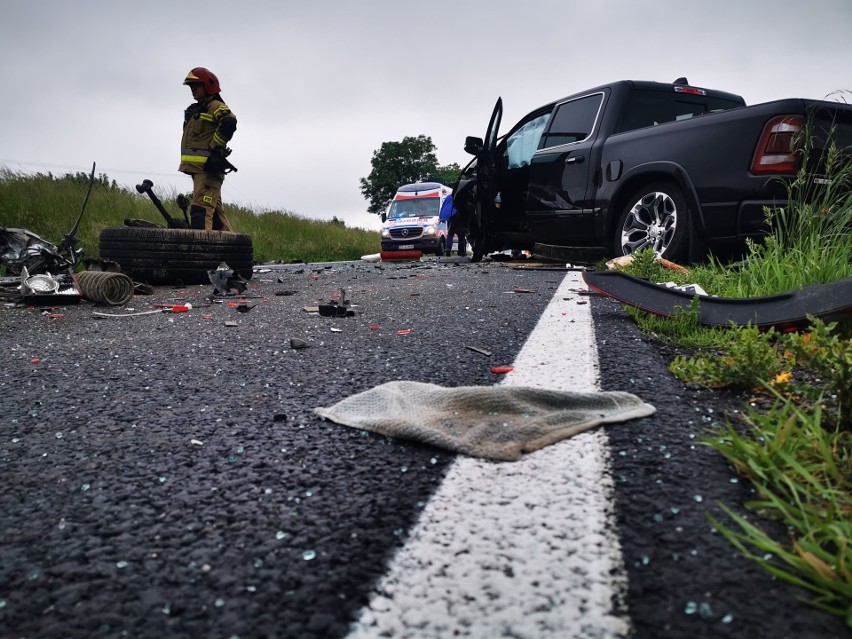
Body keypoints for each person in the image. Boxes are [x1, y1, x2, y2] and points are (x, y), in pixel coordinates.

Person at [179, 67, 237, 231]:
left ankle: (203, 252)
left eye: (197, 85)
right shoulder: (199, 109)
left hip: (208, 171)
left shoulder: (215, 106)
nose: (193, 90)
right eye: (191, 87)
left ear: (208, 86)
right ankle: (232, 251)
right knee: (216, 216)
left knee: (201, 211)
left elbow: (229, 122)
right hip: (199, 170)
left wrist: (215, 149)